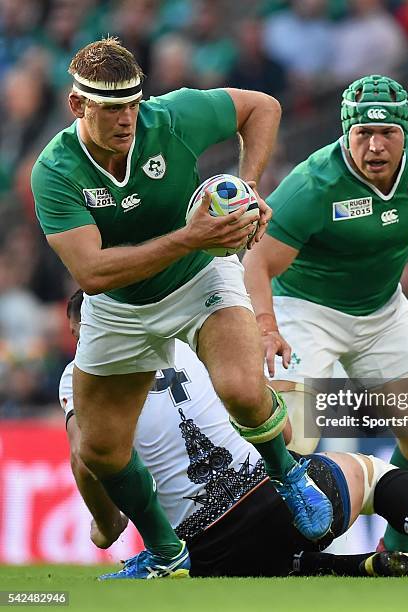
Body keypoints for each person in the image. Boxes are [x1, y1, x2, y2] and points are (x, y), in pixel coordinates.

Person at [31, 37, 332, 579]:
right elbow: (93, 273)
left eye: (133, 104)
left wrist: (248, 185)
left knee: (242, 389)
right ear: (78, 106)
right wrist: (190, 236)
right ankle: (169, 556)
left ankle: (290, 476)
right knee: (99, 452)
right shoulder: (55, 170)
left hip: (199, 280)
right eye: (110, 107)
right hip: (117, 303)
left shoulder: (172, 118)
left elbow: (262, 106)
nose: (127, 119)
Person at [61, 289, 408, 579]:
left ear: (83, 333)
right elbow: (282, 426)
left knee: (259, 561)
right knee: (375, 475)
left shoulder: (75, 376)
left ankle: (363, 568)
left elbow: (86, 459)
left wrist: (106, 526)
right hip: (277, 507)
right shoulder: (192, 338)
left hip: (203, 554)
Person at [242, 74, 408, 554]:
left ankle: (399, 547)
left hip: (382, 312)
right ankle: (267, 547)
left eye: (388, 134)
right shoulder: (315, 182)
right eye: (363, 133)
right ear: (346, 133)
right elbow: (256, 259)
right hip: (305, 311)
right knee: (291, 437)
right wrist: (265, 325)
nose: (376, 145)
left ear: (406, 134)